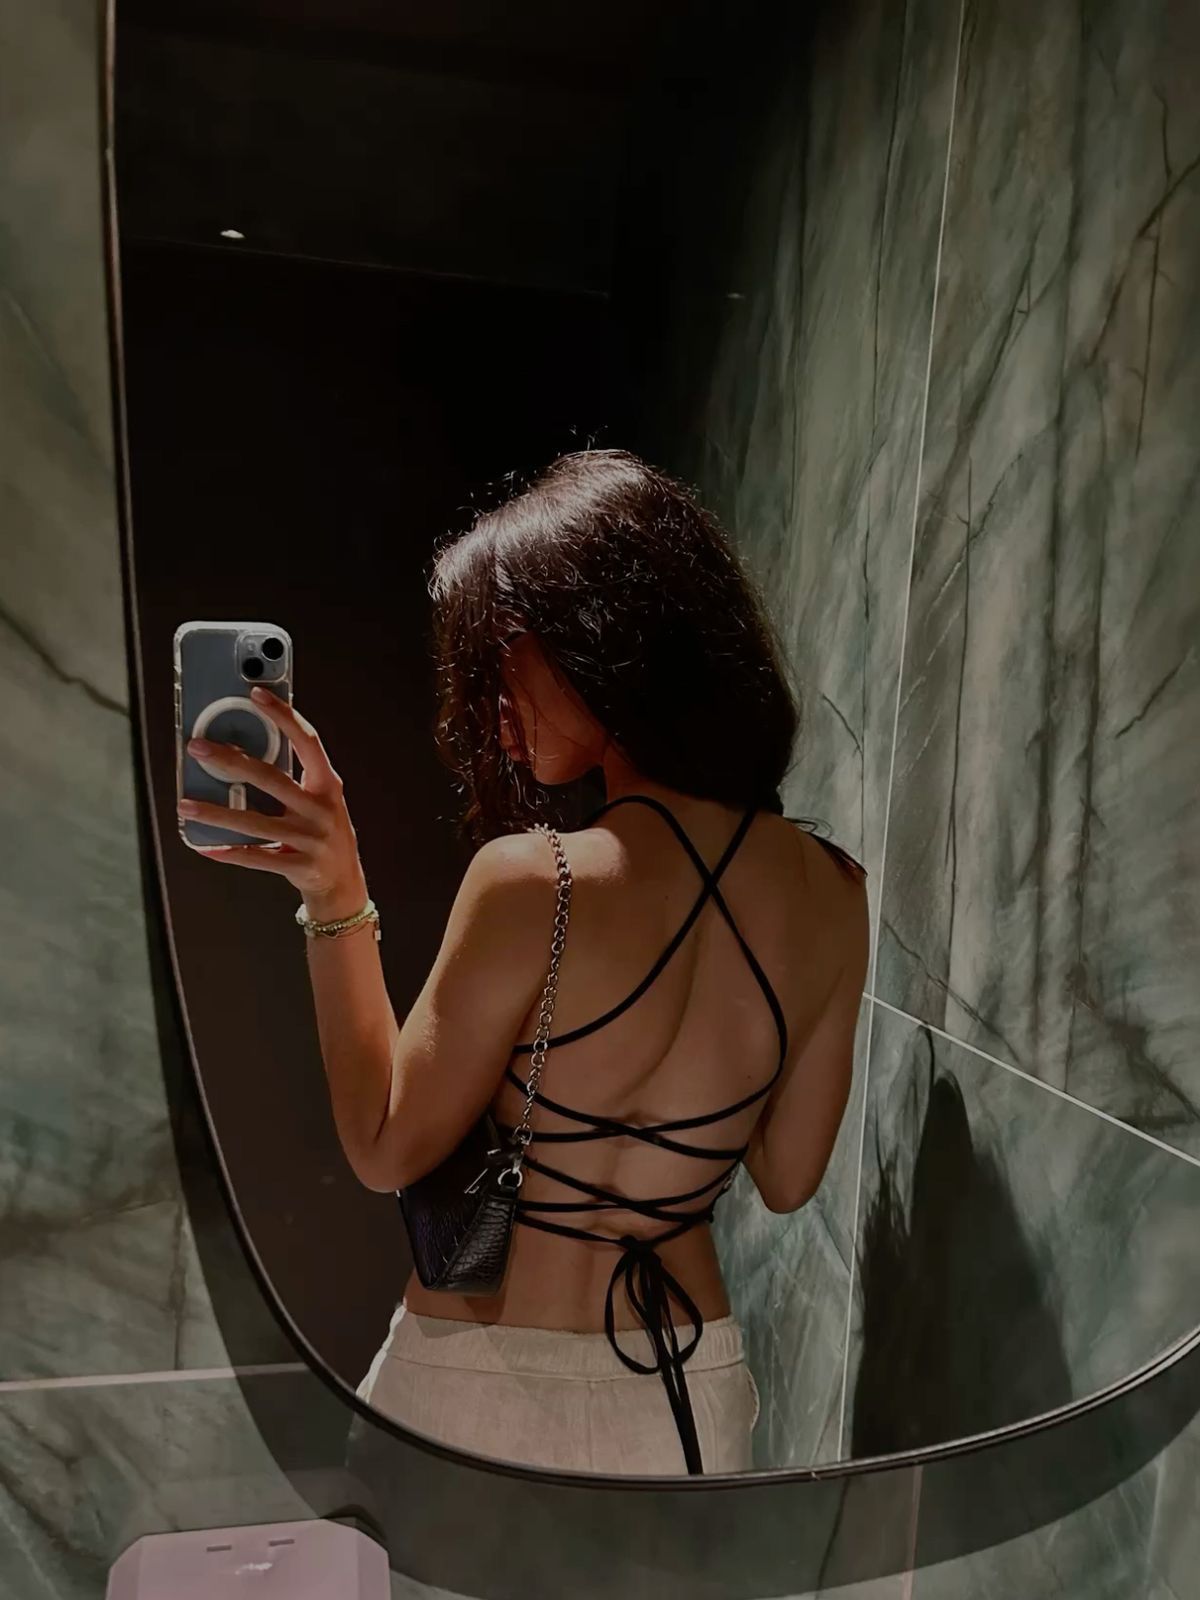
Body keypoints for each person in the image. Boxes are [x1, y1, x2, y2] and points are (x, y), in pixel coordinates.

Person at [177, 448, 869, 1476]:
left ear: (608, 639)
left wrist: (336, 897)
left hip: (475, 1382)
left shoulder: (535, 882)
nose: (494, 701)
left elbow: (384, 1147)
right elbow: (788, 1176)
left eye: (506, 653)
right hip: (683, 1393)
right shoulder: (835, 894)